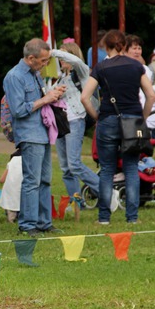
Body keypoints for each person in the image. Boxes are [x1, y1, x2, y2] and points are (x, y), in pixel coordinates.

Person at [81, 30, 155, 225]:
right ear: (124, 45)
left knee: (107, 169)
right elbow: (150, 95)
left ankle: (104, 218)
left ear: (106, 46)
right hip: (132, 120)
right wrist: (143, 117)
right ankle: (132, 218)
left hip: (108, 119)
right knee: (131, 168)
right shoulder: (136, 66)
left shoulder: (101, 67)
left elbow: (84, 97)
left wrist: (96, 115)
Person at [3, 38, 66, 237]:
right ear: (31, 58)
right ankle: (28, 225)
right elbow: (18, 110)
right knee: (32, 181)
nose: (46, 64)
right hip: (29, 134)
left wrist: (53, 94)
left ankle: (44, 222)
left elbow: (39, 101)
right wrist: (45, 99)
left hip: (43, 132)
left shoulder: (35, 74)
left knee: (45, 179)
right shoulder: (14, 77)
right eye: (44, 60)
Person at [51, 42, 100, 198]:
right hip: (61, 125)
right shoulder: (59, 79)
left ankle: (106, 192)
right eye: (60, 56)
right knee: (66, 168)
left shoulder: (82, 71)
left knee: (74, 164)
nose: (61, 59)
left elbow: (77, 61)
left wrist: (53, 52)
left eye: (64, 55)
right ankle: (76, 202)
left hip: (76, 120)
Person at [0, 149, 22, 223]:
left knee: (10, 206)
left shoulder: (12, 162)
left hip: (10, 198)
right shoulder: (30, 162)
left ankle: (11, 219)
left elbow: (2, 180)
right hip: (24, 199)